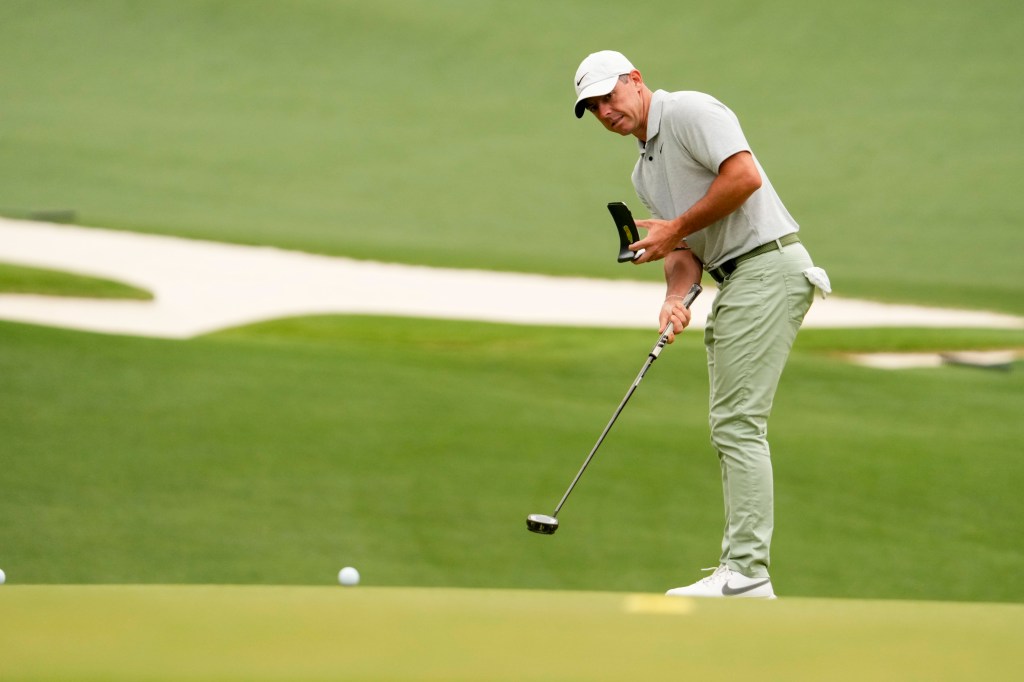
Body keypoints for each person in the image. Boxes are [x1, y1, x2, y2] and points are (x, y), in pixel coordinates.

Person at [572, 50, 830, 598]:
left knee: (737, 423)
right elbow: (684, 246)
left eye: (608, 96)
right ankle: (739, 569)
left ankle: (747, 572)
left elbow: (743, 178)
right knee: (731, 423)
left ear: (635, 81)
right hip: (736, 279)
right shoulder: (642, 169)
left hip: (769, 264)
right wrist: (672, 294)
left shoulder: (689, 111)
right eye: (593, 107)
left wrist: (675, 230)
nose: (604, 111)